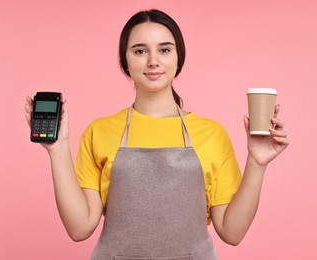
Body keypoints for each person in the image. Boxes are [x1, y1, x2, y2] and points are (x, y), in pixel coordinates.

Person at [25, 9, 289, 260]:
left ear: (178, 58)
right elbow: (79, 228)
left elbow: (232, 232)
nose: (153, 61)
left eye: (164, 49)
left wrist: (256, 162)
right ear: (125, 61)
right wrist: (57, 148)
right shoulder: (100, 131)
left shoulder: (212, 134)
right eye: (140, 51)